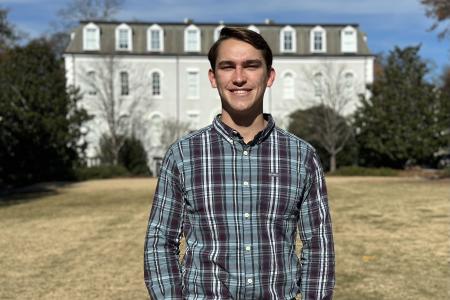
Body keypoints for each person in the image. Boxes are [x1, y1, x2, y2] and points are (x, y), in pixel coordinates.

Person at [144, 27, 335, 300]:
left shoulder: (301, 156)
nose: (239, 78)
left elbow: (319, 245)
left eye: (251, 66)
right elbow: (160, 243)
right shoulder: (183, 155)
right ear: (213, 77)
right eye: (227, 67)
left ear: (269, 76)